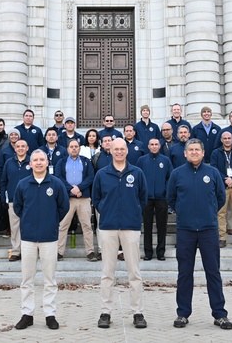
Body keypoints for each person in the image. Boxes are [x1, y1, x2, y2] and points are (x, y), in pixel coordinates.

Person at [167, 139, 231, 330]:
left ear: (203, 153)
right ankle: (182, 313)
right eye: (191, 150)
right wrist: (184, 212)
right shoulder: (177, 174)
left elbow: (221, 197)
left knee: (213, 272)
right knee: (184, 273)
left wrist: (208, 212)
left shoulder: (212, 173)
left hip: (208, 230)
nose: (194, 152)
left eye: (197, 150)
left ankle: (220, 314)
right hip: (185, 230)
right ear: (185, 153)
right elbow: (171, 198)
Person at [92, 138, 148, 330]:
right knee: (107, 273)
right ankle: (105, 312)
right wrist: (107, 212)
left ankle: (137, 312)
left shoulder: (137, 173)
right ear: (110, 149)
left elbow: (143, 198)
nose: (119, 152)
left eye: (122, 149)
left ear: (127, 150)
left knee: (134, 273)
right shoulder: (102, 174)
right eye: (115, 149)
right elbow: (96, 198)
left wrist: (133, 213)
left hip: (130, 227)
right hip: (108, 227)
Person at [13, 149, 69, 330]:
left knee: (50, 279)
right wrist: (29, 222)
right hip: (28, 238)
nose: (38, 163)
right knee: (27, 279)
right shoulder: (23, 184)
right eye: (35, 160)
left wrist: (51, 222)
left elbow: (64, 207)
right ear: (30, 163)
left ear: (47, 162)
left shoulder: (56, 184)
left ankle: (50, 314)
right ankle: (27, 314)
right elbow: (18, 208)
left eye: (41, 160)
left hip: (49, 238)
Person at [54, 139, 98, 261]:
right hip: (67, 199)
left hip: (83, 198)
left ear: (79, 148)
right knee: (63, 226)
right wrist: (70, 189)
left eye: (76, 146)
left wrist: (79, 188)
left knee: (87, 225)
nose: (74, 148)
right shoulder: (61, 162)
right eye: (71, 146)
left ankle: (90, 252)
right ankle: (59, 252)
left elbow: (90, 177)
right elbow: (58, 177)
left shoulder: (86, 162)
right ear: (68, 149)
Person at [137, 137, 171, 260]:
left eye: (156, 144)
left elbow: (170, 178)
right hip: (147, 199)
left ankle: (161, 252)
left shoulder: (166, 160)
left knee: (162, 226)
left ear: (159, 146)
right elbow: (138, 178)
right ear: (148, 146)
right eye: (152, 144)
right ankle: (148, 252)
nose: (154, 146)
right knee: (147, 226)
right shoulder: (142, 160)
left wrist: (166, 192)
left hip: (161, 198)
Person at [1, 139, 33, 261]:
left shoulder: (32, 162)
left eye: (23, 146)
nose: (20, 148)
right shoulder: (9, 163)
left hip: (30, 200)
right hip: (13, 200)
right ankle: (16, 251)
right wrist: (4, 196)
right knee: (15, 227)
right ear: (15, 148)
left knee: (29, 226)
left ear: (27, 148)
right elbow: (3, 181)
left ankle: (29, 251)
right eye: (18, 146)